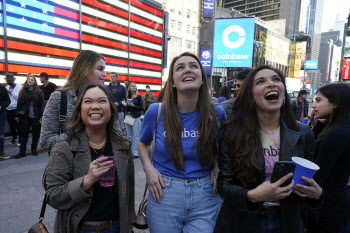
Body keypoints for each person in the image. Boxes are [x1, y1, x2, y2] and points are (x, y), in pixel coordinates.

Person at [214, 65, 322, 233]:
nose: (271, 84)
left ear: (283, 93)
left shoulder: (303, 133)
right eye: (261, 81)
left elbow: (310, 185)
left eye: (276, 80)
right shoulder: (231, 131)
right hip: (243, 221)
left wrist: (316, 195)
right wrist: (252, 195)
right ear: (251, 95)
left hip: (287, 222)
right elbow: (223, 184)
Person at [138, 52, 226, 233]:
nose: (187, 70)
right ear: (173, 82)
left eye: (193, 66)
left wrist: (218, 166)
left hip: (205, 195)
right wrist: (149, 170)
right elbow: (142, 143)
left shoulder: (217, 113)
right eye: (180, 67)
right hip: (164, 193)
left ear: (202, 79)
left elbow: (224, 147)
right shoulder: (156, 111)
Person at [44, 84, 135, 233]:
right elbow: (53, 196)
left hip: (117, 227)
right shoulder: (64, 149)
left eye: (102, 101)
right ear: (80, 110)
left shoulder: (123, 147)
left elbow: (128, 188)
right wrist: (86, 181)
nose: (95, 106)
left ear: (111, 110)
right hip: (80, 228)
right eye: (88, 101)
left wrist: (129, 221)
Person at [40, 50, 106, 152]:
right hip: (71, 165)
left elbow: (116, 133)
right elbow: (46, 142)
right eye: (100, 69)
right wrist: (81, 133)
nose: (105, 74)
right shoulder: (59, 97)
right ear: (85, 69)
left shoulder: (105, 98)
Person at [306, 83, 350, 233]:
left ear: (335, 104)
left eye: (318, 100)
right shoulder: (340, 129)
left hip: (327, 206)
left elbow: (317, 175)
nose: (313, 105)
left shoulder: (336, 134)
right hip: (336, 202)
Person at [14, 74, 45, 158]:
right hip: (25, 116)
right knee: (23, 134)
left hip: (36, 116)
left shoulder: (39, 91)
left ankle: (33, 149)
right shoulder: (22, 91)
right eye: (29, 79)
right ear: (26, 81)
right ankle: (22, 152)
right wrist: (17, 115)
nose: (30, 81)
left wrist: (42, 116)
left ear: (34, 82)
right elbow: (19, 104)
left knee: (36, 134)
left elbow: (42, 104)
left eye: (32, 79)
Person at [124, 82, 143, 158]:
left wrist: (133, 105)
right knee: (129, 136)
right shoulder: (127, 96)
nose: (133, 87)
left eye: (135, 86)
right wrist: (125, 105)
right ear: (129, 88)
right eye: (132, 86)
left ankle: (136, 152)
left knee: (136, 136)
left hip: (135, 117)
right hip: (128, 116)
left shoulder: (138, 97)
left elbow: (141, 107)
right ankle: (130, 151)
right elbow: (125, 108)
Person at [5, 73, 22, 146]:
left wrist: (11, 93)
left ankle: (21, 140)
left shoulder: (19, 87)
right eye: (7, 80)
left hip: (15, 108)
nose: (7, 82)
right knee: (11, 125)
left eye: (8, 80)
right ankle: (14, 139)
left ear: (12, 80)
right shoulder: (7, 87)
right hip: (8, 108)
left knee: (17, 125)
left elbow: (19, 98)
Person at [0, 84, 11, 159]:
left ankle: (1, 152)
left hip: (1, 113)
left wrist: (1, 106)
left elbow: (8, 101)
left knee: (0, 133)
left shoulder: (2, 88)